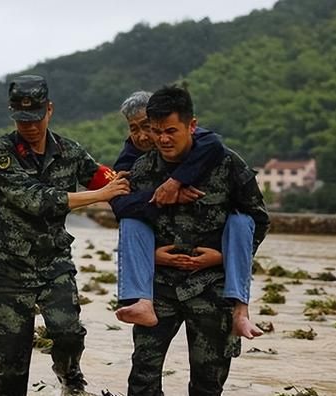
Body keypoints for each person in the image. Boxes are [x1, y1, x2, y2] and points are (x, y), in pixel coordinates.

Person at [111, 86, 270, 396]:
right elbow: (125, 213)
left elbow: (258, 220)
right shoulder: (142, 169)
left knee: (208, 383)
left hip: (212, 286)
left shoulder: (227, 165)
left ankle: (241, 312)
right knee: (142, 378)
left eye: (171, 131)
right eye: (156, 132)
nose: (162, 139)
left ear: (191, 126)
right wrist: (153, 256)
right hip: (159, 288)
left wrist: (222, 257)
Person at [0, 74, 130, 396]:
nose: (30, 126)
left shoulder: (69, 151)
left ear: (49, 110)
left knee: (68, 333)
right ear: (12, 114)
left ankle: (69, 377)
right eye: (22, 119)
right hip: (9, 267)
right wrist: (101, 194)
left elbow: (102, 177)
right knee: (10, 356)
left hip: (54, 264)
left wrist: (130, 181)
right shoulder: (1, 153)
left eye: (36, 117)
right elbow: (36, 199)